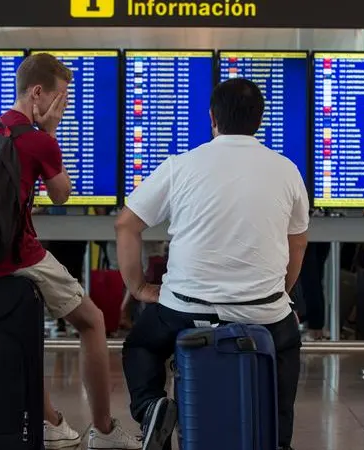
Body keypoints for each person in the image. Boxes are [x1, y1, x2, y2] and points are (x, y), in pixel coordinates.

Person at [0, 53, 140, 450]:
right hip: (15, 256)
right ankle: (104, 431)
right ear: (37, 93)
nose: (65, 107)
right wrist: (50, 131)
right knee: (91, 321)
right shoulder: (38, 139)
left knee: (23, 334)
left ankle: (51, 421)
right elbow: (62, 194)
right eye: (61, 99)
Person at [115, 78, 307, 450]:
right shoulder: (286, 170)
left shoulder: (181, 166)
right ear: (260, 119)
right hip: (262, 313)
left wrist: (138, 288)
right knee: (286, 347)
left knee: (140, 346)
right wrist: (277, 293)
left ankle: (151, 406)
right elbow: (297, 242)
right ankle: (278, 438)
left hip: (185, 309)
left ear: (211, 118)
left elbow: (127, 224)